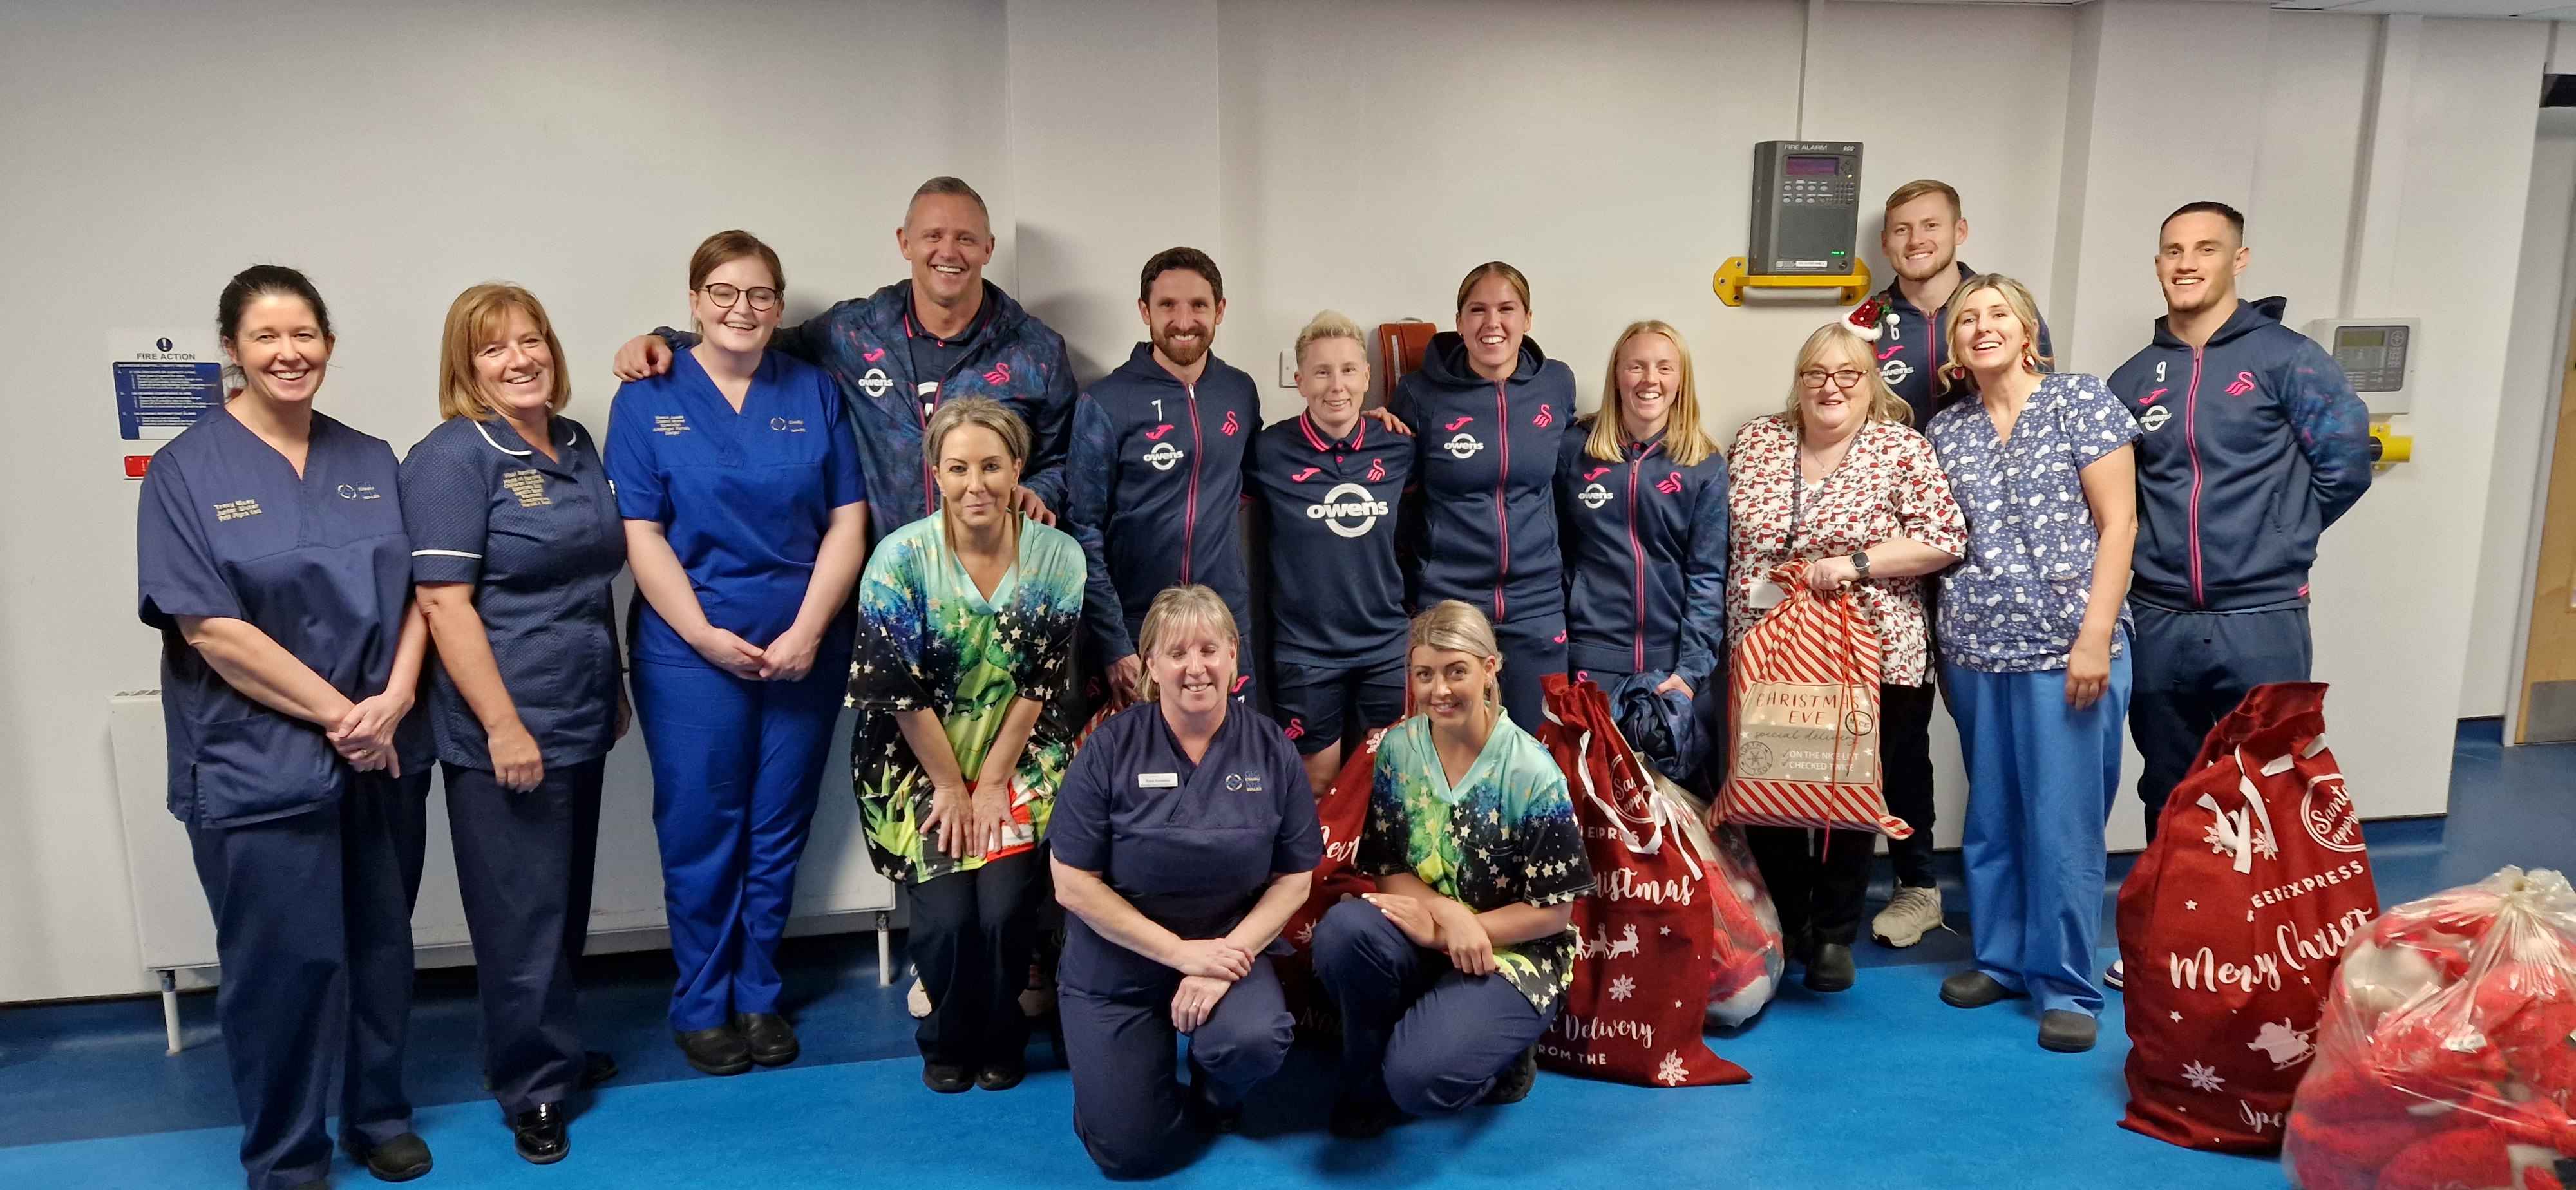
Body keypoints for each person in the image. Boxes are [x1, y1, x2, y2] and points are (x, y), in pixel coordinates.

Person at [137, 265, 435, 1189]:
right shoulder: (187, 471)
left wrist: (393, 700)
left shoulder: (370, 459)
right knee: (283, 969)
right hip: (255, 764)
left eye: (304, 333)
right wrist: (342, 713)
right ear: (232, 349)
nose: (288, 352)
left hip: (382, 749)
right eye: (265, 336)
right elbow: (211, 630)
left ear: (329, 344)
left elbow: (427, 591)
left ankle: (376, 1114)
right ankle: (287, 1154)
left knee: (381, 944)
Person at [605, 231, 869, 1077]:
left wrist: (809, 631)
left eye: (758, 294)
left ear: (779, 306)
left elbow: (847, 523)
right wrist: (701, 635)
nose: (741, 309)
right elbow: (639, 532)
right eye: (722, 292)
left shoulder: (816, 391)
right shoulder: (648, 396)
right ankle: (702, 1000)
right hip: (690, 652)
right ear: (693, 302)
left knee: (776, 826)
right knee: (701, 826)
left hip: (804, 646)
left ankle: (758, 992)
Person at [2101, 201, 2372, 988]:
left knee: (2271, 783)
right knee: (2172, 786)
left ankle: (2267, 951)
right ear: (2158, 264)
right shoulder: (2132, 378)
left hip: (2260, 617)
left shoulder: (2291, 360)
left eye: (2205, 249)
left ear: (2239, 259)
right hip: (2157, 617)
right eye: (2172, 251)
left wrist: (2281, 541)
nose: (2186, 263)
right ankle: (2170, 944)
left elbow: (2345, 462)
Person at [399, 283, 626, 1162]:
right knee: (518, 916)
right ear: (467, 366)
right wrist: (502, 726)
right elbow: (444, 603)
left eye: (532, 341)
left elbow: (590, 577)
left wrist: (613, 686)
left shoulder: (573, 442)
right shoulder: (455, 456)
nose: (520, 358)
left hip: (579, 707)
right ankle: (529, 1086)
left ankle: (554, 1052)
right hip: (506, 721)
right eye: (495, 349)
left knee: (560, 902)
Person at [1920, 274, 2138, 1055]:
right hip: (1978, 649)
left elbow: (2119, 526)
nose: (1982, 327)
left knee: (2063, 820)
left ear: (2027, 328)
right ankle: (2004, 960)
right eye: (1967, 319)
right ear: (1952, 344)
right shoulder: (1949, 430)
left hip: (2068, 651)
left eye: (1997, 314)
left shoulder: (2079, 400)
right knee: (1992, 816)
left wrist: (2094, 634)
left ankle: (2069, 982)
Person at [612, 176, 1076, 540]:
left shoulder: (1036, 351)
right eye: (933, 235)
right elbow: (754, 337)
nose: (948, 252)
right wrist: (666, 340)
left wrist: (1038, 491)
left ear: (989, 248)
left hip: (998, 591)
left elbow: (1061, 460)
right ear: (905, 243)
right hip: (883, 595)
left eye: (966, 239)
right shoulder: (850, 332)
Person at [1718, 317, 1967, 994]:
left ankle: (1831, 936)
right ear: (1798, 383)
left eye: (1847, 374)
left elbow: (1944, 539)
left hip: (1872, 651)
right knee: (1771, 789)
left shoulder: (1901, 449)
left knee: (1847, 795)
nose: (1830, 387)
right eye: (1815, 374)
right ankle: (1788, 924)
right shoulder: (1758, 441)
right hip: (1769, 648)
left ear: (1870, 383)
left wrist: (1852, 563)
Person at [851, 397, 1087, 1093]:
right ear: (935, 473)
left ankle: (1003, 1031)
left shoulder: (1057, 558)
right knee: (950, 919)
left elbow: (1040, 683)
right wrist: (953, 786)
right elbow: (898, 693)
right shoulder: (898, 560)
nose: (974, 484)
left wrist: (991, 783)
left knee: (1006, 908)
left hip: (1020, 753)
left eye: (991, 466)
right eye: (958, 468)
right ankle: (946, 1038)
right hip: (916, 761)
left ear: (1018, 468)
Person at [1050, 586, 1319, 1177]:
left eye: (1209, 649)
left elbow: (1296, 877)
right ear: (1150, 666)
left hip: (1227, 946)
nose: (1195, 667)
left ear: (1232, 656)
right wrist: (1179, 955)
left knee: (1251, 1041)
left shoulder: (1270, 749)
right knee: (1128, 1154)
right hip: (1117, 958)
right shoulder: (1110, 749)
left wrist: (1228, 955)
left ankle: (1215, 1092)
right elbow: (1071, 883)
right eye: (1176, 653)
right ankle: (1122, 1098)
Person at [1310, 601, 1595, 1139]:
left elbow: (1555, 911)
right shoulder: (1398, 748)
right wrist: (1445, 916)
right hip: (1426, 930)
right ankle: (1363, 1072)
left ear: (1491, 668)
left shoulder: (1532, 772)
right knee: (1343, 933)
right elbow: (1386, 865)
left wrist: (1469, 927)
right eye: (1425, 674)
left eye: (1455, 671)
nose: (1439, 690)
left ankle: (1501, 1056)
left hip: (1512, 953)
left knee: (1420, 1082)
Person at [1860, 178, 2054, 950]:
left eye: (1930, 226)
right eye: (1901, 230)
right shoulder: (1867, 322)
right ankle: (1916, 884)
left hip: (2001, 561)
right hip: (1903, 557)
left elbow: (2039, 422)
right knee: (1902, 731)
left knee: (2009, 736)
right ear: (1887, 244)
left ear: (1960, 230)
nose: (1915, 241)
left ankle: (2024, 892)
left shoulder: (1998, 311)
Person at [1066, 249, 1260, 709]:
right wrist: (1114, 641)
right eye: (1168, 305)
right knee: (1145, 774)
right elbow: (1083, 528)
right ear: (1144, 311)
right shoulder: (1107, 401)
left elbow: (1256, 477)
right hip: (1138, 627)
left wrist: (1364, 423)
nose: (1184, 320)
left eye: (1198, 305)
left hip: (1223, 623)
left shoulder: (1239, 391)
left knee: (1229, 765)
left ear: (1220, 310)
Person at [1388, 262, 1575, 730]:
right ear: (1460, 322)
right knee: (1453, 751)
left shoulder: (1556, 384)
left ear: (1528, 319)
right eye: (1478, 310)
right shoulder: (1417, 393)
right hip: (1451, 602)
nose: (1492, 324)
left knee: (1539, 749)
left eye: (1507, 309)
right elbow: (1398, 499)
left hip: (1536, 602)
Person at [1245, 310, 1413, 796]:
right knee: (1316, 787)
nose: (1335, 386)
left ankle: (1378, 876)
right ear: (1299, 381)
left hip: (1385, 644)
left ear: (1367, 377)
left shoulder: (1399, 446)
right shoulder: (1268, 450)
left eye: (1347, 371)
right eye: (1321, 372)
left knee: (1390, 784)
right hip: (1306, 651)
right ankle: (1322, 875)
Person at [1556, 319, 1728, 782]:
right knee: (1595, 811)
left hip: (1668, 669)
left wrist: (1691, 674)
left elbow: (1708, 576)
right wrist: (1564, 656)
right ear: (1618, 375)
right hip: (1590, 662)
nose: (1650, 380)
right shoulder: (1574, 451)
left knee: (1674, 820)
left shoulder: (1704, 465)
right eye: (1637, 366)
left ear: (1680, 380)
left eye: (1664, 368)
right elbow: (1552, 553)